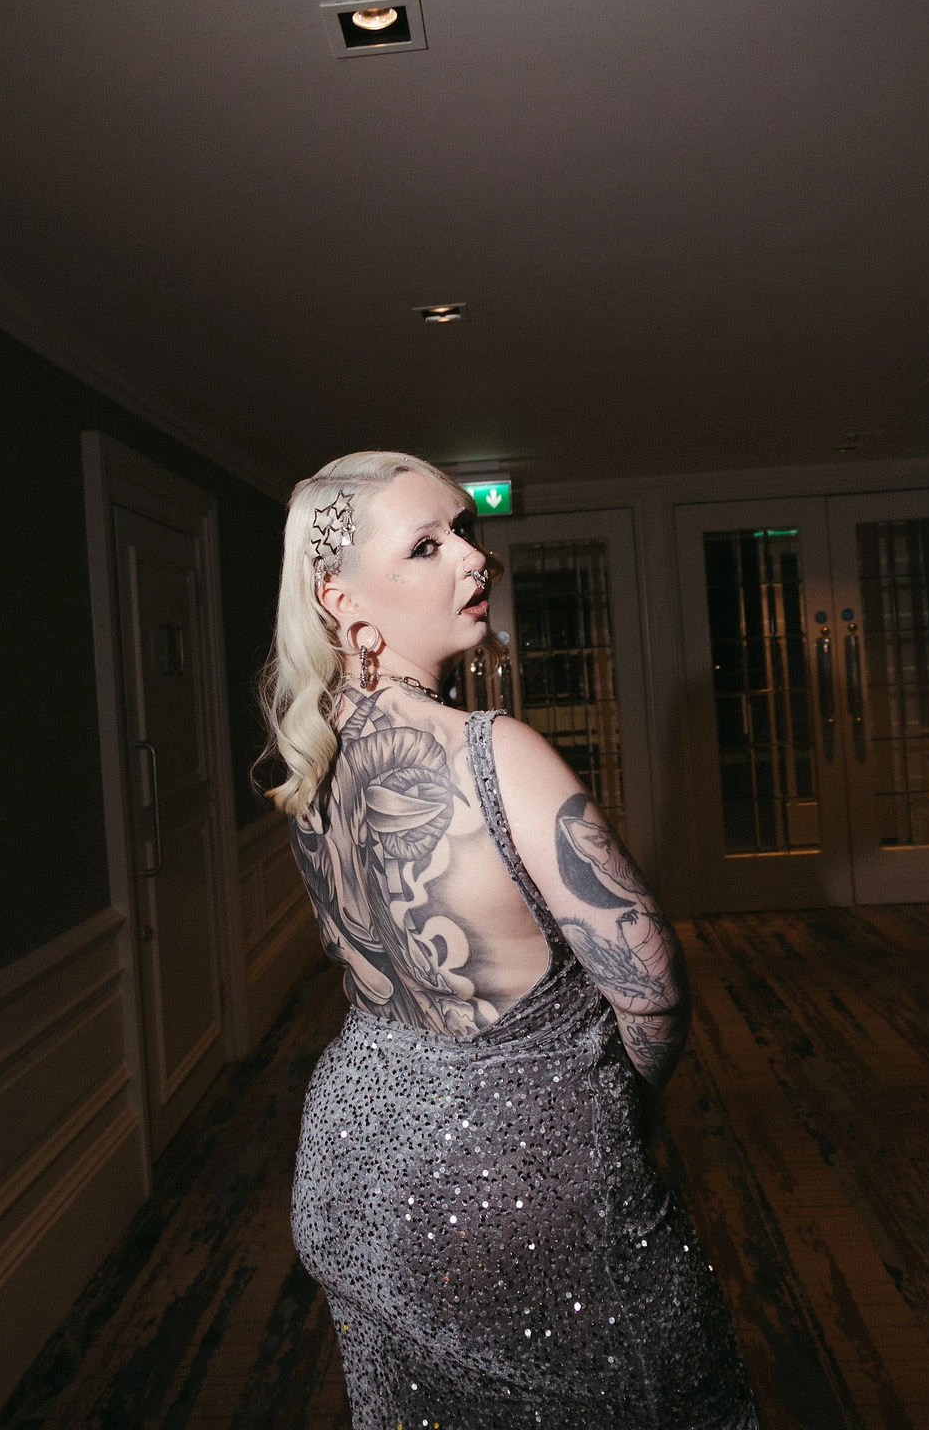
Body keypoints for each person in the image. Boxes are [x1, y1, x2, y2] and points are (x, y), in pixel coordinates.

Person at [255, 450, 759, 1430]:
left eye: (465, 531)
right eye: (426, 545)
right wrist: (612, 1104)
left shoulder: (308, 761)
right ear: (342, 602)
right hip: (506, 1190)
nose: (473, 558)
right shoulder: (492, 751)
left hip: (350, 1167)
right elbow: (651, 988)